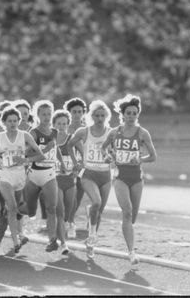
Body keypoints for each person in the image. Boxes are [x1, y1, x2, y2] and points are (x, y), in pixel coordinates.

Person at [101, 94, 157, 265]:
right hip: (120, 177)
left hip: (137, 179)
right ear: (123, 115)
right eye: (129, 113)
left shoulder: (143, 133)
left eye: (134, 113)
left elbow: (153, 157)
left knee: (132, 217)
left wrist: (140, 159)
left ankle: (128, 233)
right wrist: (108, 157)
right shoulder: (114, 132)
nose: (131, 116)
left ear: (137, 114)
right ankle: (131, 252)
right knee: (127, 211)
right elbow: (103, 149)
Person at [0, 106, 44, 253]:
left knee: (15, 211)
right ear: (4, 122)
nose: (13, 123)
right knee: (12, 206)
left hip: (20, 177)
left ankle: (2, 241)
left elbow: (41, 155)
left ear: (19, 121)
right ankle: (16, 241)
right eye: (9, 121)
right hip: (4, 176)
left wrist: (24, 159)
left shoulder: (25, 136)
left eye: (15, 120)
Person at [68, 100, 112, 259]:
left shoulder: (111, 133)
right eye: (97, 115)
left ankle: (90, 242)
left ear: (107, 116)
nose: (100, 118)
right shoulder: (83, 131)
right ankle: (92, 234)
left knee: (98, 211)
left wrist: (111, 157)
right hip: (89, 174)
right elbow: (69, 145)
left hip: (106, 176)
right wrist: (76, 162)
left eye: (102, 115)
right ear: (92, 116)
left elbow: (114, 152)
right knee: (97, 202)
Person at [24, 100, 66, 252]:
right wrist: (43, 150)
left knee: (51, 208)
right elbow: (26, 153)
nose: (47, 117)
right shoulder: (33, 133)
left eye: (49, 114)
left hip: (49, 174)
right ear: (38, 115)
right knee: (30, 210)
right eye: (43, 114)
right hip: (34, 175)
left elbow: (57, 149)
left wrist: (61, 162)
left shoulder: (55, 132)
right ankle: (14, 214)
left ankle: (52, 240)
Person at [53, 109, 83, 254]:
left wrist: (77, 168)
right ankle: (63, 243)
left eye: (64, 123)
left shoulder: (72, 139)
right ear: (54, 124)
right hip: (54, 180)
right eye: (59, 123)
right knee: (60, 211)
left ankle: (63, 229)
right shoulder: (50, 139)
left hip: (70, 180)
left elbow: (84, 157)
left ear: (68, 124)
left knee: (69, 209)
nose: (61, 126)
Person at [63, 97, 87, 238]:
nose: (77, 114)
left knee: (78, 195)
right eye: (74, 111)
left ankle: (71, 222)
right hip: (66, 165)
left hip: (83, 165)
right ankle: (65, 219)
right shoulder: (64, 127)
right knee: (66, 196)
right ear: (69, 112)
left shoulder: (87, 129)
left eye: (80, 111)